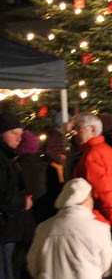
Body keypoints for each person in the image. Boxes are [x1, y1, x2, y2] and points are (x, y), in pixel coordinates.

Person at [27, 178, 112, 279]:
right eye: (90, 197)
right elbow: (107, 265)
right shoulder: (99, 229)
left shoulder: (43, 228)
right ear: (85, 200)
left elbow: (33, 263)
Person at [71, 113, 112, 227]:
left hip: (97, 219)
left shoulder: (91, 155)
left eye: (78, 129)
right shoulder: (110, 151)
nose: (74, 133)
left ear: (93, 129)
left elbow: (103, 189)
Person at [0, 113, 33, 279]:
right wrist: (22, 202)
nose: (19, 138)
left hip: (9, 230)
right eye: (14, 133)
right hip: (4, 231)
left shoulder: (8, 157)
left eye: (21, 133)